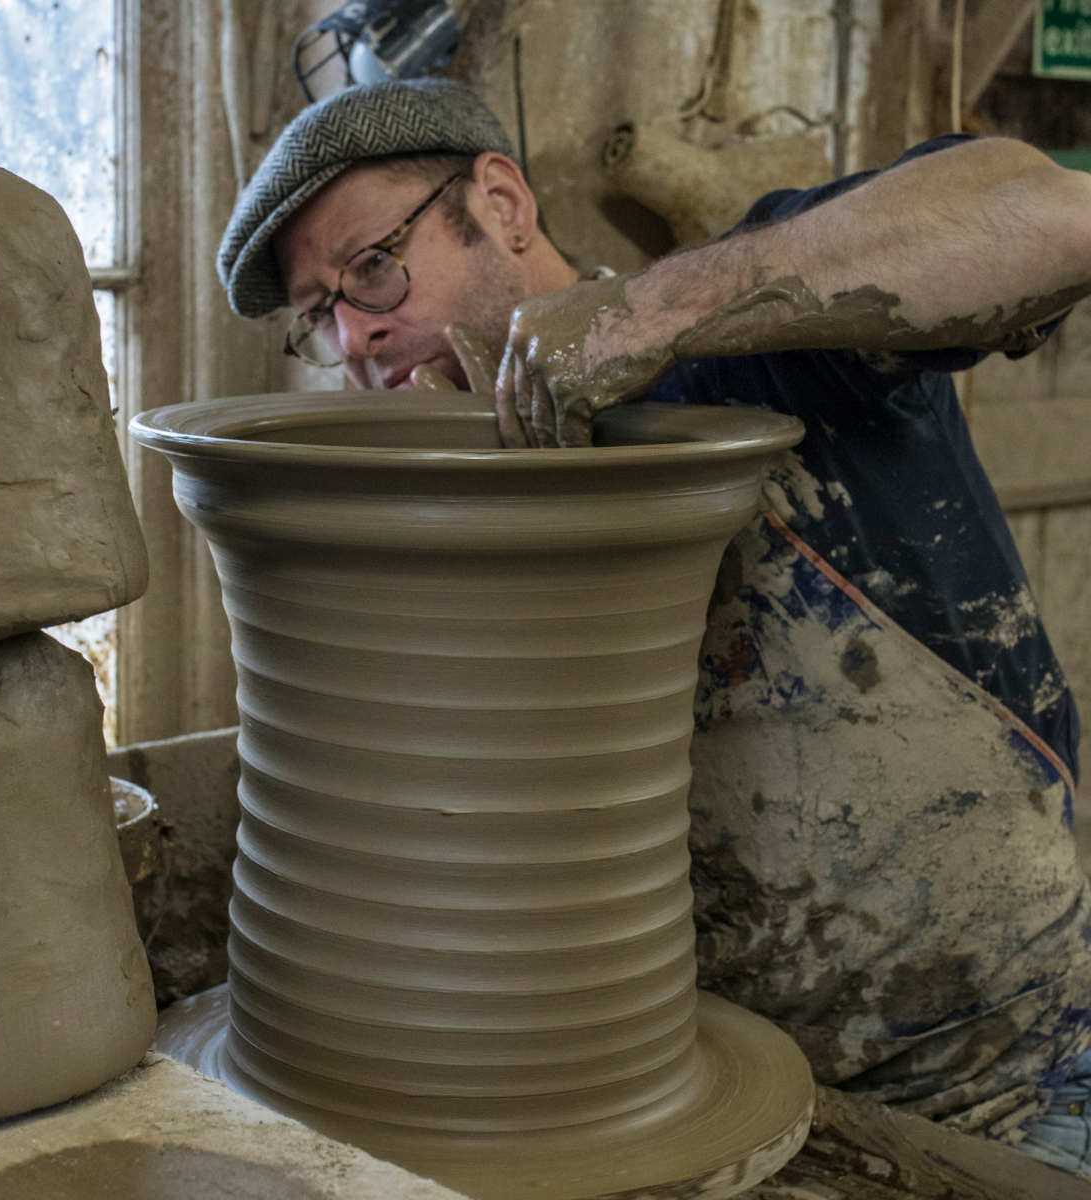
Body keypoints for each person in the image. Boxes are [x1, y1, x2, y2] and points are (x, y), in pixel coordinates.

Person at [218, 77, 1091, 1171]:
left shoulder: (765, 334)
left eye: (373, 268)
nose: (356, 335)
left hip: (992, 1089)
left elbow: (1057, 220)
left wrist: (653, 316)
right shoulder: (425, 530)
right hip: (671, 1097)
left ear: (502, 203)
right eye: (317, 315)